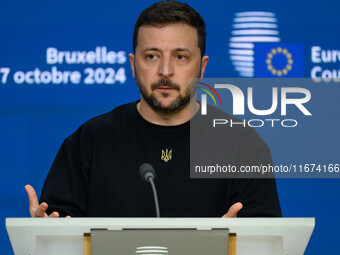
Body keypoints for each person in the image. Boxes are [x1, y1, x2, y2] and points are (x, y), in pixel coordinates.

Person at [25, 1, 281, 218]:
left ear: (202, 68)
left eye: (180, 56)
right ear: (133, 64)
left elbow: (269, 242)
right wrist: (46, 234)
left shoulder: (242, 144)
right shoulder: (89, 141)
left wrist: (234, 241)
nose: (165, 71)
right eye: (152, 56)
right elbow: (57, 230)